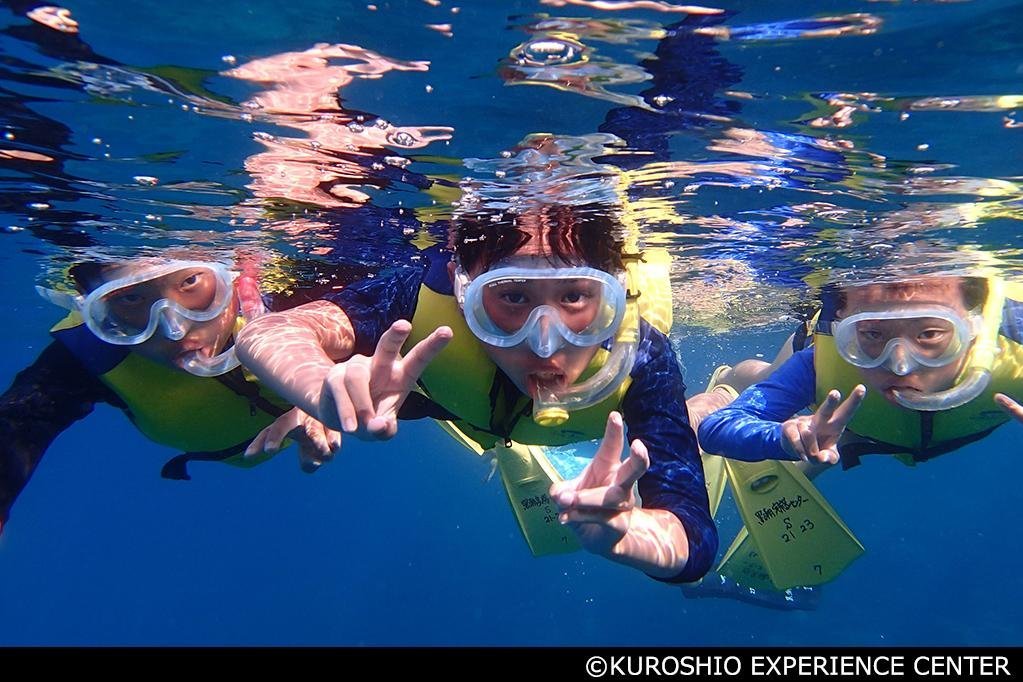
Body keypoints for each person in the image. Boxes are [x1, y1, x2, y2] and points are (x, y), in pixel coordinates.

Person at [236, 200, 719, 583]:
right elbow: (271, 331)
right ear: (465, 295)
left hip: (584, 416)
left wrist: (633, 534)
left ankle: (719, 396)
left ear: (611, 297)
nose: (544, 340)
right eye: (512, 297)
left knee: (689, 426)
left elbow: (691, 530)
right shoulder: (418, 301)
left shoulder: (642, 359)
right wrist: (319, 387)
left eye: (574, 296)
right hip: (452, 406)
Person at [0, 253, 377, 536]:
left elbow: (379, 311)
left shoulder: (294, 294)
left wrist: (314, 381)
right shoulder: (90, 356)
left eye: (191, 283)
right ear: (101, 312)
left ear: (231, 275)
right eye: (130, 300)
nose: (176, 329)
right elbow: (18, 425)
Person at [698, 274, 1023, 469]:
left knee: (831, 429)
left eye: (929, 335)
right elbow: (717, 427)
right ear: (842, 323)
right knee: (768, 378)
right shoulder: (819, 367)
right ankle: (728, 381)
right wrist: (781, 438)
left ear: (974, 327)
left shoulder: (1014, 351)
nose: (901, 365)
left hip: (865, 416)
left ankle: (823, 438)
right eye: (871, 335)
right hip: (851, 408)